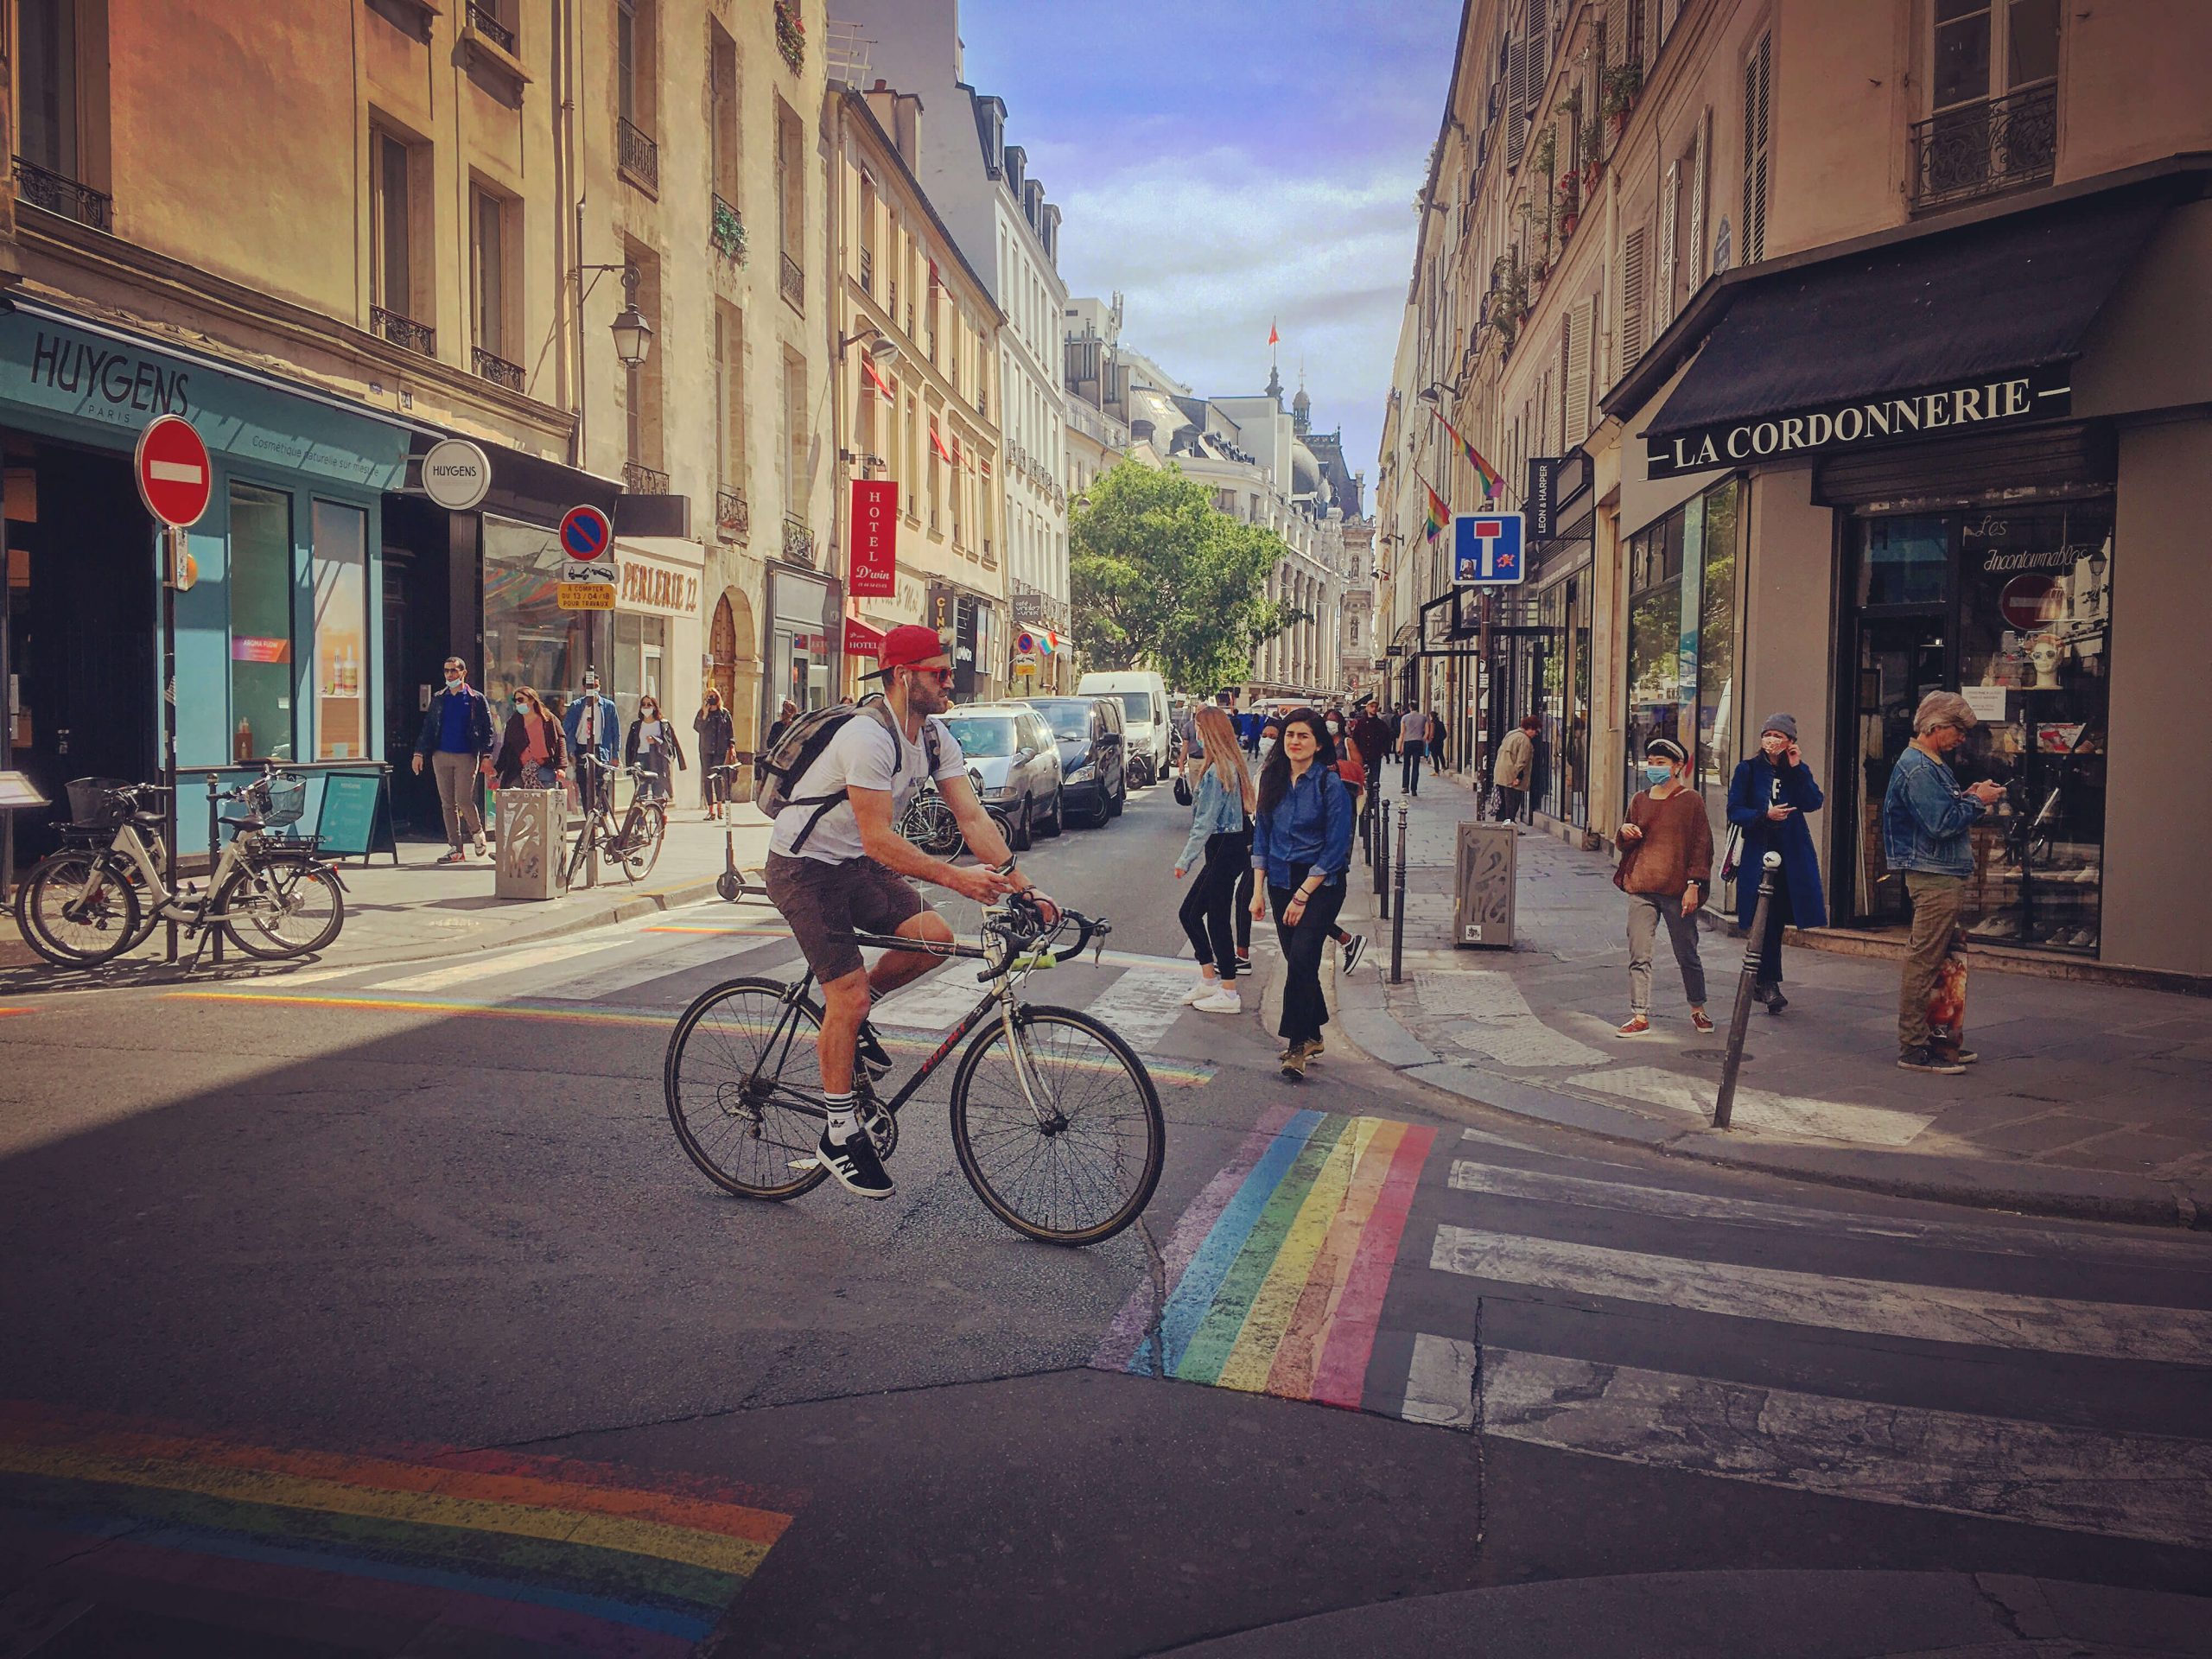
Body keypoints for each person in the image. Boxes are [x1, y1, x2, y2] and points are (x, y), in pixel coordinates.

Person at [762, 624, 1044, 1199]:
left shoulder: (936, 738)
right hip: (805, 867)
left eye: (949, 673)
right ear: (902, 675)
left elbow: (971, 818)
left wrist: (1026, 886)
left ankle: (849, 1023)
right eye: (939, 673)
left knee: (934, 939)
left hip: (854, 866)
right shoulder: (868, 736)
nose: (950, 683)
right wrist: (955, 878)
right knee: (847, 995)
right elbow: (877, 838)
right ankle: (838, 1134)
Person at [1883, 690, 2005, 1075]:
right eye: (1958, 731)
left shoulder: (1927, 763)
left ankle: (1940, 1041)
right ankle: (1913, 1046)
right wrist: (1977, 801)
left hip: (1940, 872)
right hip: (1934, 876)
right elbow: (1939, 824)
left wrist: (1966, 796)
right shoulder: (1919, 767)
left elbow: (1938, 814)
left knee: (1943, 962)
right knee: (1926, 960)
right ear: (1935, 728)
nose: (1962, 739)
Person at [1250, 708, 1355, 1080]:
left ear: (1318, 743)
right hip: (1280, 878)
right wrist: (1257, 891)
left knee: (1304, 956)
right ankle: (1313, 1032)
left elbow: (1336, 845)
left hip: (1322, 883)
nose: (1294, 742)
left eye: (1303, 736)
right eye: (1290, 735)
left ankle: (1296, 1046)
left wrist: (1303, 895)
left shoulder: (1330, 785)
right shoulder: (1272, 779)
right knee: (1299, 960)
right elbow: (1261, 835)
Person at [1726, 714, 1828, 1014]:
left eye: (1778, 736)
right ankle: (1767, 982)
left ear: (1790, 742)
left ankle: (1763, 979)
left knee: (1779, 918)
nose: (1772, 740)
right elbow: (1734, 810)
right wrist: (1763, 817)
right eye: (1768, 734)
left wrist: (1797, 769)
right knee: (1764, 918)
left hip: (1792, 854)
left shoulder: (1796, 770)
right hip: (1759, 853)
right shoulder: (1747, 769)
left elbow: (1813, 802)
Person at [1614, 738, 1713, 1036]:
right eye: (1651, 762)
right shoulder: (1639, 800)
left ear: (1678, 766)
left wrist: (1694, 885)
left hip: (1677, 888)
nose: (1654, 768)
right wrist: (1625, 833)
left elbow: (1701, 846)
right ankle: (1639, 1014)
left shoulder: (1691, 800)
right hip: (1642, 885)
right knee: (1639, 953)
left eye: (1661, 763)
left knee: (1687, 952)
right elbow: (1626, 843)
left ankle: (1698, 1008)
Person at [1173, 707, 1256, 1014]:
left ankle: (1228, 991)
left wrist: (1185, 859)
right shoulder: (1228, 764)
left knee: (1202, 915)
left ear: (1207, 731)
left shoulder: (1217, 771)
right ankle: (1210, 981)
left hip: (1222, 847)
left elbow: (1204, 822)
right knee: (1200, 915)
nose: (1195, 732)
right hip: (1229, 847)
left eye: (1197, 726)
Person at [413, 655, 494, 864]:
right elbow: (429, 728)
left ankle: (477, 833)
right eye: (447, 671)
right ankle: (455, 848)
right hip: (441, 754)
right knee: (447, 803)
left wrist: (486, 755)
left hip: (466, 755)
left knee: (463, 799)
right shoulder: (440, 698)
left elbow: (488, 729)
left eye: (454, 671)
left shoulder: (476, 698)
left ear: (463, 673)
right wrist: (419, 753)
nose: (450, 674)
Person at [564, 670, 620, 813]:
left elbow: (616, 732)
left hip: (601, 749)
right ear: (584, 689)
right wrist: (570, 751)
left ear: (600, 687)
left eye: (596, 686)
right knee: (583, 784)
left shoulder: (608, 706)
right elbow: (567, 729)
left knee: (602, 784)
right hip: (581, 749)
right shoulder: (577, 706)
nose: (593, 689)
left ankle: (605, 815)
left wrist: (615, 754)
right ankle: (589, 818)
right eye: (590, 686)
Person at [493, 687, 568, 790]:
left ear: (532, 700)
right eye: (515, 700)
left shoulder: (548, 719)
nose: (518, 703)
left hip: (545, 767)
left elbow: (560, 741)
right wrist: (497, 770)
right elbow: (507, 748)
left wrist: (561, 767)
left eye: (521, 700)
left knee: (544, 800)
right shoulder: (514, 722)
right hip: (519, 769)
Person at [625, 693, 687, 803]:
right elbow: (629, 746)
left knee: (658, 793)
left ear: (654, 707)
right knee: (640, 794)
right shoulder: (636, 725)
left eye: (649, 704)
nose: (646, 707)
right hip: (641, 759)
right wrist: (629, 766)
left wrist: (656, 740)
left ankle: (659, 818)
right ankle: (640, 818)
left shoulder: (663, 724)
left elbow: (671, 743)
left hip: (657, 760)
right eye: (643, 704)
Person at [695, 688, 735, 820]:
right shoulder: (702, 713)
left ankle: (720, 807)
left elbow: (730, 731)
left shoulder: (724, 713)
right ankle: (710, 810)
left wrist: (732, 747)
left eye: (714, 696)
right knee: (706, 778)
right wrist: (705, 714)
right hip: (706, 749)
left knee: (717, 777)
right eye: (709, 697)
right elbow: (698, 728)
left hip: (720, 749)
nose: (712, 699)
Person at [1493, 715, 1540, 821]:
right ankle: (1510, 829)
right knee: (1512, 807)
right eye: (1536, 732)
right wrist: (1518, 778)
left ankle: (1499, 828)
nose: (1536, 735)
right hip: (1512, 779)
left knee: (1503, 806)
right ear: (1531, 728)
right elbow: (1522, 762)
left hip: (1501, 775)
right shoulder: (1525, 741)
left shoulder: (1511, 734)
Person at [1396, 702, 1427, 796]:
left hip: (1408, 742)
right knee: (1416, 766)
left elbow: (1402, 733)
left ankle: (1405, 787)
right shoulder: (1423, 717)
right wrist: (1422, 740)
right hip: (1418, 742)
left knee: (1406, 765)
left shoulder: (1405, 718)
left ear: (1410, 707)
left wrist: (1399, 746)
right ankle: (1414, 788)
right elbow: (1427, 732)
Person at [1426, 709, 1446, 776]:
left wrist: (1429, 741)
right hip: (1440, 742)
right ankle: (1443, 766)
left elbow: (1431, 734)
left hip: (1433, 743)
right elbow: (1445, 734)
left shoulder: (1432, 724)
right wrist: (1441, 739)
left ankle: (1436, 771)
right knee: (1440, 754)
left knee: (1435, 757)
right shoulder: (1441, 723)